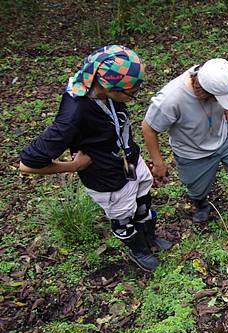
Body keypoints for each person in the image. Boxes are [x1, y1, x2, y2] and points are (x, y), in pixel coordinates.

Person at [19, 45, 172, 272]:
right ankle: (138, 250)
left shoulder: (101, 90)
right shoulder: (73, 115)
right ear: (108, 86)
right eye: (130, 92)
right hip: (106, 176)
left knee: (141, 199)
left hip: (126, 160)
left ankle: (149, 238)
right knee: (122, 216)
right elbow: (27, 165)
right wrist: (74, 165)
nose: (133, 96)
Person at [142, 58, 228, 224]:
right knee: (196, 187)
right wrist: (158, 163)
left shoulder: (218, 74)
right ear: (203, 91)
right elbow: (148, 127)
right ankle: (201, 205)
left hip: (225, 133)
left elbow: (226, 98)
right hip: (191, 148)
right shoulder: (171, 99)